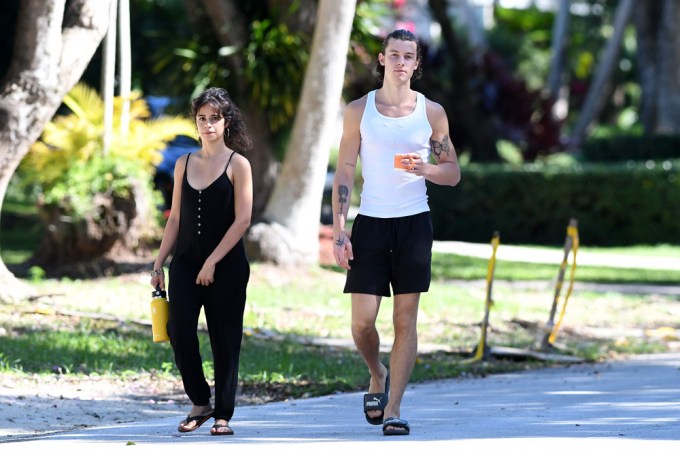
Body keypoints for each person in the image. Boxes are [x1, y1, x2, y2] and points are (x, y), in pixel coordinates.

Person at [331, 29, 461, 436]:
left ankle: (394, 408)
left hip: (414, 224)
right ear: (383, 59)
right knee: (362, 324)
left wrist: (426, 168)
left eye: (409, 56)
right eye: (395, 54)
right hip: (370, 222)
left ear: (417, 63)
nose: (402, 62)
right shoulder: (359, 110)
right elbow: (346, 169)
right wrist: (339, 228)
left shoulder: (432, 112)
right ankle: (376, 372)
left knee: (406, 321)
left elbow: (452, 172)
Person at [150, 87, 253, 436]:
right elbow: (175, 219)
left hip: (227, 266)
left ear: (226, 121)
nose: (208, 125)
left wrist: (212, 262)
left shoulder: (238, 164)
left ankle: (223, 412)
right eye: (202, 119)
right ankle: (200, 401)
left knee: (225, 339)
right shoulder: (184, 163)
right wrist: (158, 262)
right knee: (178, 331)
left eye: (215, 118)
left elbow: (243, 220)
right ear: (196, 123)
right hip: (185, 262)